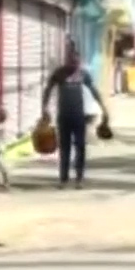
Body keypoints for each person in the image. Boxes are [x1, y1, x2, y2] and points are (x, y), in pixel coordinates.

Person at [42, 45, 110, 189]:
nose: (74, 64)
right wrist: (44, 108)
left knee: (80, 147)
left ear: (79, 61)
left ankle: (79, 178)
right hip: (64, 116)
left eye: (76, 61)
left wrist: (103, 108)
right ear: (67, 60)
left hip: (79, 116)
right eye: (71, 61)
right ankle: (63, 179)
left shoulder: (83, 74)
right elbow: (48, 89)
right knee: (64, 148)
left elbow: (93, 90)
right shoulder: (59, 73)